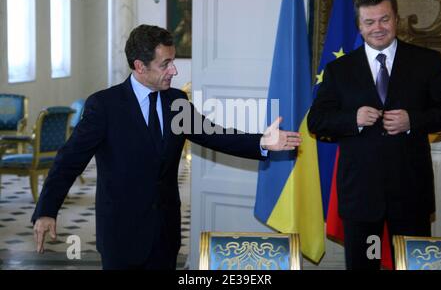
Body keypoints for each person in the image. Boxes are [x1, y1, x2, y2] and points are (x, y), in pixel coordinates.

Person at [32, 25, 301, 270]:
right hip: (121, 237)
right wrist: (46, 210)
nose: (174, 70)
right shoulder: (104, 106)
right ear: (139, 66)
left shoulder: (176, 100)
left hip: (165, 235)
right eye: (166, 64)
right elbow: (69, 161)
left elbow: (213, 135)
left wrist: (261, 142)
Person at [308, 0, 441, 270]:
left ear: (396, 19)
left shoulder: (426, 62)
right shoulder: (339, 70)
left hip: (411, 191)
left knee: (413, 266)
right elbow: (317, 121)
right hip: (360, 195)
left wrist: (414, 121)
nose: (378, 28)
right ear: (359, 27)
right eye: (369, 22)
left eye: (384, 19)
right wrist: (353, 119)